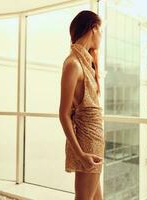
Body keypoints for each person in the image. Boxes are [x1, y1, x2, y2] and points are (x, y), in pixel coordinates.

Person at [59, 10, 104, 200]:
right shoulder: (73, 64)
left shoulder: (86, 62)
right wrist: (80, 154)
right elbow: (63, 113)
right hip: (87, 143)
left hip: (94, 139)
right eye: (100, 30)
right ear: (93, 29)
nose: (101, 36)